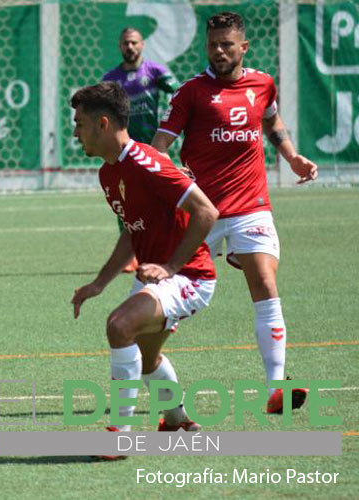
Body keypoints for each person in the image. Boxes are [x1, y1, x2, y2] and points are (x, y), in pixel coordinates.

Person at [151, 12, 318, 414]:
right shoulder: (191, 92)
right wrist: (174, 169)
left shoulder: (262, 84)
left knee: (264, 280)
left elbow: (272, 120)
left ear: (243, 47)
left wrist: (291, 156)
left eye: (227, 44)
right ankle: (151, 367)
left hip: (250, 206)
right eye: (213, 45)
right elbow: (158, 148)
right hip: (201, 212)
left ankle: (275, 388)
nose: (220, 51)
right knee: (162, 301)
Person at [70, 82, 219, 458]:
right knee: (147, 356)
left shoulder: (148, 162)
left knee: (120, 325)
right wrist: (99, 283)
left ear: (103, 123)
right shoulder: (109, 173)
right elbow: (132, 234)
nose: (75, 132)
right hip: (157, 278)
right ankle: (178, 421)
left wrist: (171, 266)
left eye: (79, 123)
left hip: (190, 277)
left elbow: (206, 212)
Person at [102, 28, 179, 273]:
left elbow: (179, 94)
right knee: (124, 199)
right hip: (123, 150)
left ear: (142, 44)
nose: (130, 47)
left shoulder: (156, 72)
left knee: (164, 197)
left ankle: (170, 247)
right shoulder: (110, 78)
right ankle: (131, 255)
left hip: (152, 147)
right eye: (126, 43)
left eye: (134, 43)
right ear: (119, 46)